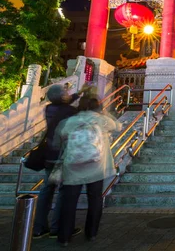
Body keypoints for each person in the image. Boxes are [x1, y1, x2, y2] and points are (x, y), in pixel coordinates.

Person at [53, 97, 121, 247]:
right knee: (95, 199)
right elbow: (118, 126)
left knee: (69, 202)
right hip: (95, 167)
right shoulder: (101, 120)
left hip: (73, 166)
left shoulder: (71, 121)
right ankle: (91, 233)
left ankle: (64, 237)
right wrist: (106, 113)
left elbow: (61, 135)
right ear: (98, 107)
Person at [32, 83, 88, 239]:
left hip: (49, 155)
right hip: (63, 157)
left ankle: (39, 227)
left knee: (47, 190)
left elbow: (64, 105)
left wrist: (77, 94)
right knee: (64, 191)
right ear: (63, 97)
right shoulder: (70, 111)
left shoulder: (49, 109)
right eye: (66, 92)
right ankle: (58, 227)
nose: (68, 93)